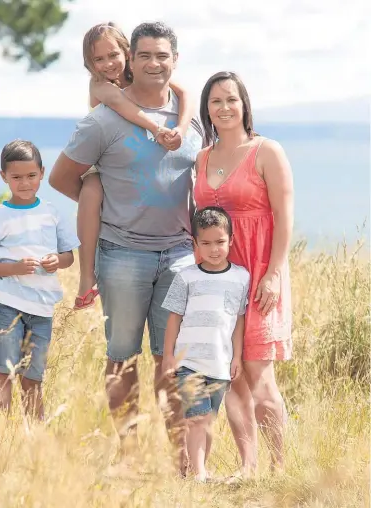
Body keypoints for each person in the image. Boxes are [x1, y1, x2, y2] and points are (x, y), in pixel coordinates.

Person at [49, 22, 204, 465]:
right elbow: (62, 178)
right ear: (131, 61)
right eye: (145, 56)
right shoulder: (102, 119)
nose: (154, 63)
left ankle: (181, 459)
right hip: (122, 256)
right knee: (121, 357)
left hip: (179, 256)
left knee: (172, 360)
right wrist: (106, 205)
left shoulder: (190, 118)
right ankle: (129, 455)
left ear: (174, 60)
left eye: (163, 56)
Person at [194, 71, 294, 479]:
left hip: (258, 274)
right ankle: (248, 466)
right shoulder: (202, 157)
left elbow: (285, 219)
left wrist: (272, 273)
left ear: (244, 104)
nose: (224, 107)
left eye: (231, 99)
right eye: (216, 101)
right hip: (217, 279)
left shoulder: (267, 151)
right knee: (230, 375)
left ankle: (279, 468)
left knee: (258, 372)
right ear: (207, 111)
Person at [75, 22, 194, 310]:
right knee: (91, 191)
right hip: (106, 159)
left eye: (113, 55)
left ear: (127, 53)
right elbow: (122, 106)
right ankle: (85, 275)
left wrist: (180, 126)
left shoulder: (141, 73)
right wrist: (157, 129)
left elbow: (186, 93)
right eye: (98, 60)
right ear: (89, 64)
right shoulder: (100, 86)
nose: (107, 64)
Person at [0, 140, 79, 419]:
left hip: (42, 308)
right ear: (3, 177)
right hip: (7, 304)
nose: (24, 183)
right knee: (4, 370)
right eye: (16, 177)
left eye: (31, 176)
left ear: (42, 173)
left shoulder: (53, 213)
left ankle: (35, 439)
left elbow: (68, 256)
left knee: (33, 377)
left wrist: (58, 261)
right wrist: (15, 268)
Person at [162, 206, 250, 482]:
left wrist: (236, 358)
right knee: (196, 418)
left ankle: (197, 469)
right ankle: (198, 474)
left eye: (220, 242)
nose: (214, 249)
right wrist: (168, 357)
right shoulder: (187, 277)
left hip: (220, 363)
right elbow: (174, 320)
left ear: (231, 240)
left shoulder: (240, 277)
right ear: (195, 244)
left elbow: (238, 321)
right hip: (188, 362)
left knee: (207, 421)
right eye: (206, 243)